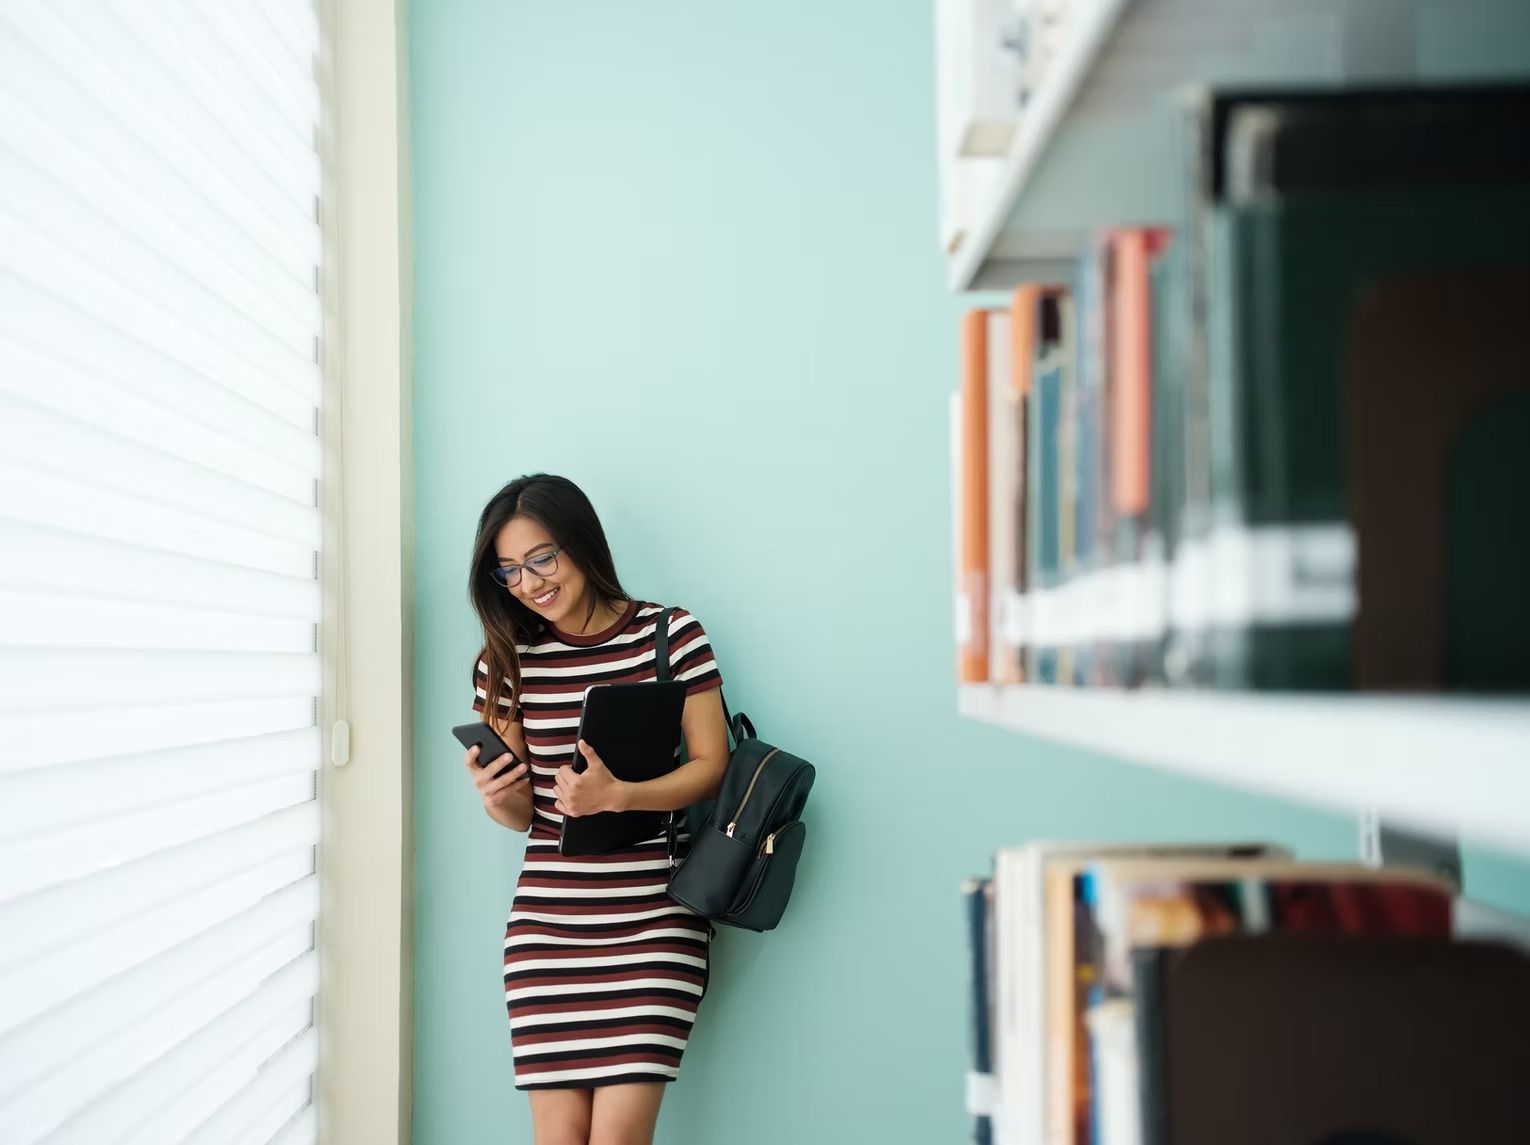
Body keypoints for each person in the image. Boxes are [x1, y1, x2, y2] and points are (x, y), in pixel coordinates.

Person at [462, 473, 730, 1145]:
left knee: (616, 1139)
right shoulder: (504, 662)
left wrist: (621, 795)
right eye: (510, 570)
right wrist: (498, 794)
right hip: (548, 928)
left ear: (582, 543)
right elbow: (523, 814)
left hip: (652, 918)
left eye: (542, 558)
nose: (529, 583)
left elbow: (711, 765)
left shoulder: (672, 635)